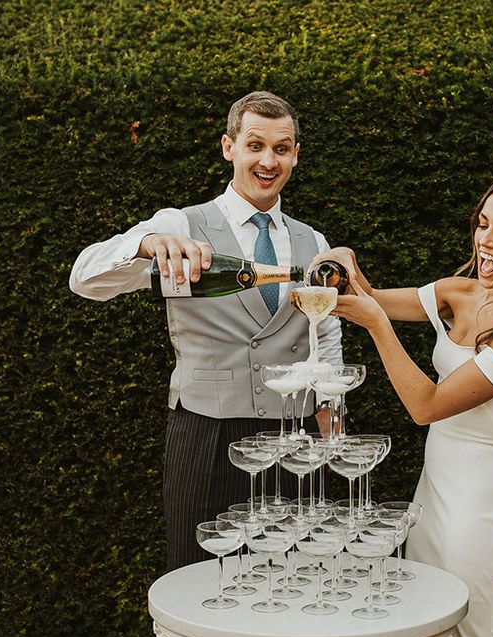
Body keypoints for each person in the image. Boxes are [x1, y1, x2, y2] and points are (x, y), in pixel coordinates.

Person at [312, 171, 493, 637]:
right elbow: (369, 298)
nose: (486, 240)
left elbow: (426, 406)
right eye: (483, 225)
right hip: (432, 494)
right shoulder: (462, 292)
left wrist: (375, 326)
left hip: (481, 503)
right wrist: (345, 268)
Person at [70, 91, 342, 575]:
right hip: (207, 433)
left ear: (295, 155)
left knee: (292, 575)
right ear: (228, 147)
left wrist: (329, 406)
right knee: (200, 576)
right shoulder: (180, 225)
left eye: (281, 149)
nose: (268, 160)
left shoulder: (313, 240)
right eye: (255, 145)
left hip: (295, 437)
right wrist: (145, 245)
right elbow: (84, 279)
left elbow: (327, 330)